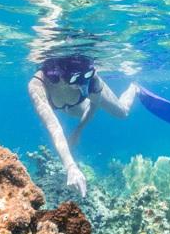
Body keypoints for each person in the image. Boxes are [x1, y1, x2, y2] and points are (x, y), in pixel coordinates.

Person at [28, 55, 141, 197]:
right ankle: (70, 108)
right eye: (75, 79)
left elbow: (95, 103)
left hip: (81, 104)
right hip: (67, 106)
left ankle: (135, 88)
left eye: (85, 76)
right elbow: (53, 127)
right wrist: (70, 166)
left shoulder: (90, 79)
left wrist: (78, 130)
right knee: (72, 111)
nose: (81, 84)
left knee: (122, 112)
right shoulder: (38, 84)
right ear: (59, 74)